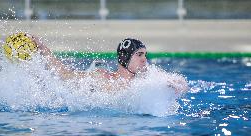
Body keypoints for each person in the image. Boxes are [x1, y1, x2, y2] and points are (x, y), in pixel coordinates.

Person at [32, 36, 188, 94]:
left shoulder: (147, 80)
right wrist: (42, 48)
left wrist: (174, 84)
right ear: (125, 58)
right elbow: (64, 75)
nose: (144, 60)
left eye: (145, 55)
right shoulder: (103, 78)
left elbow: (182, 84)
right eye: (139, 55)